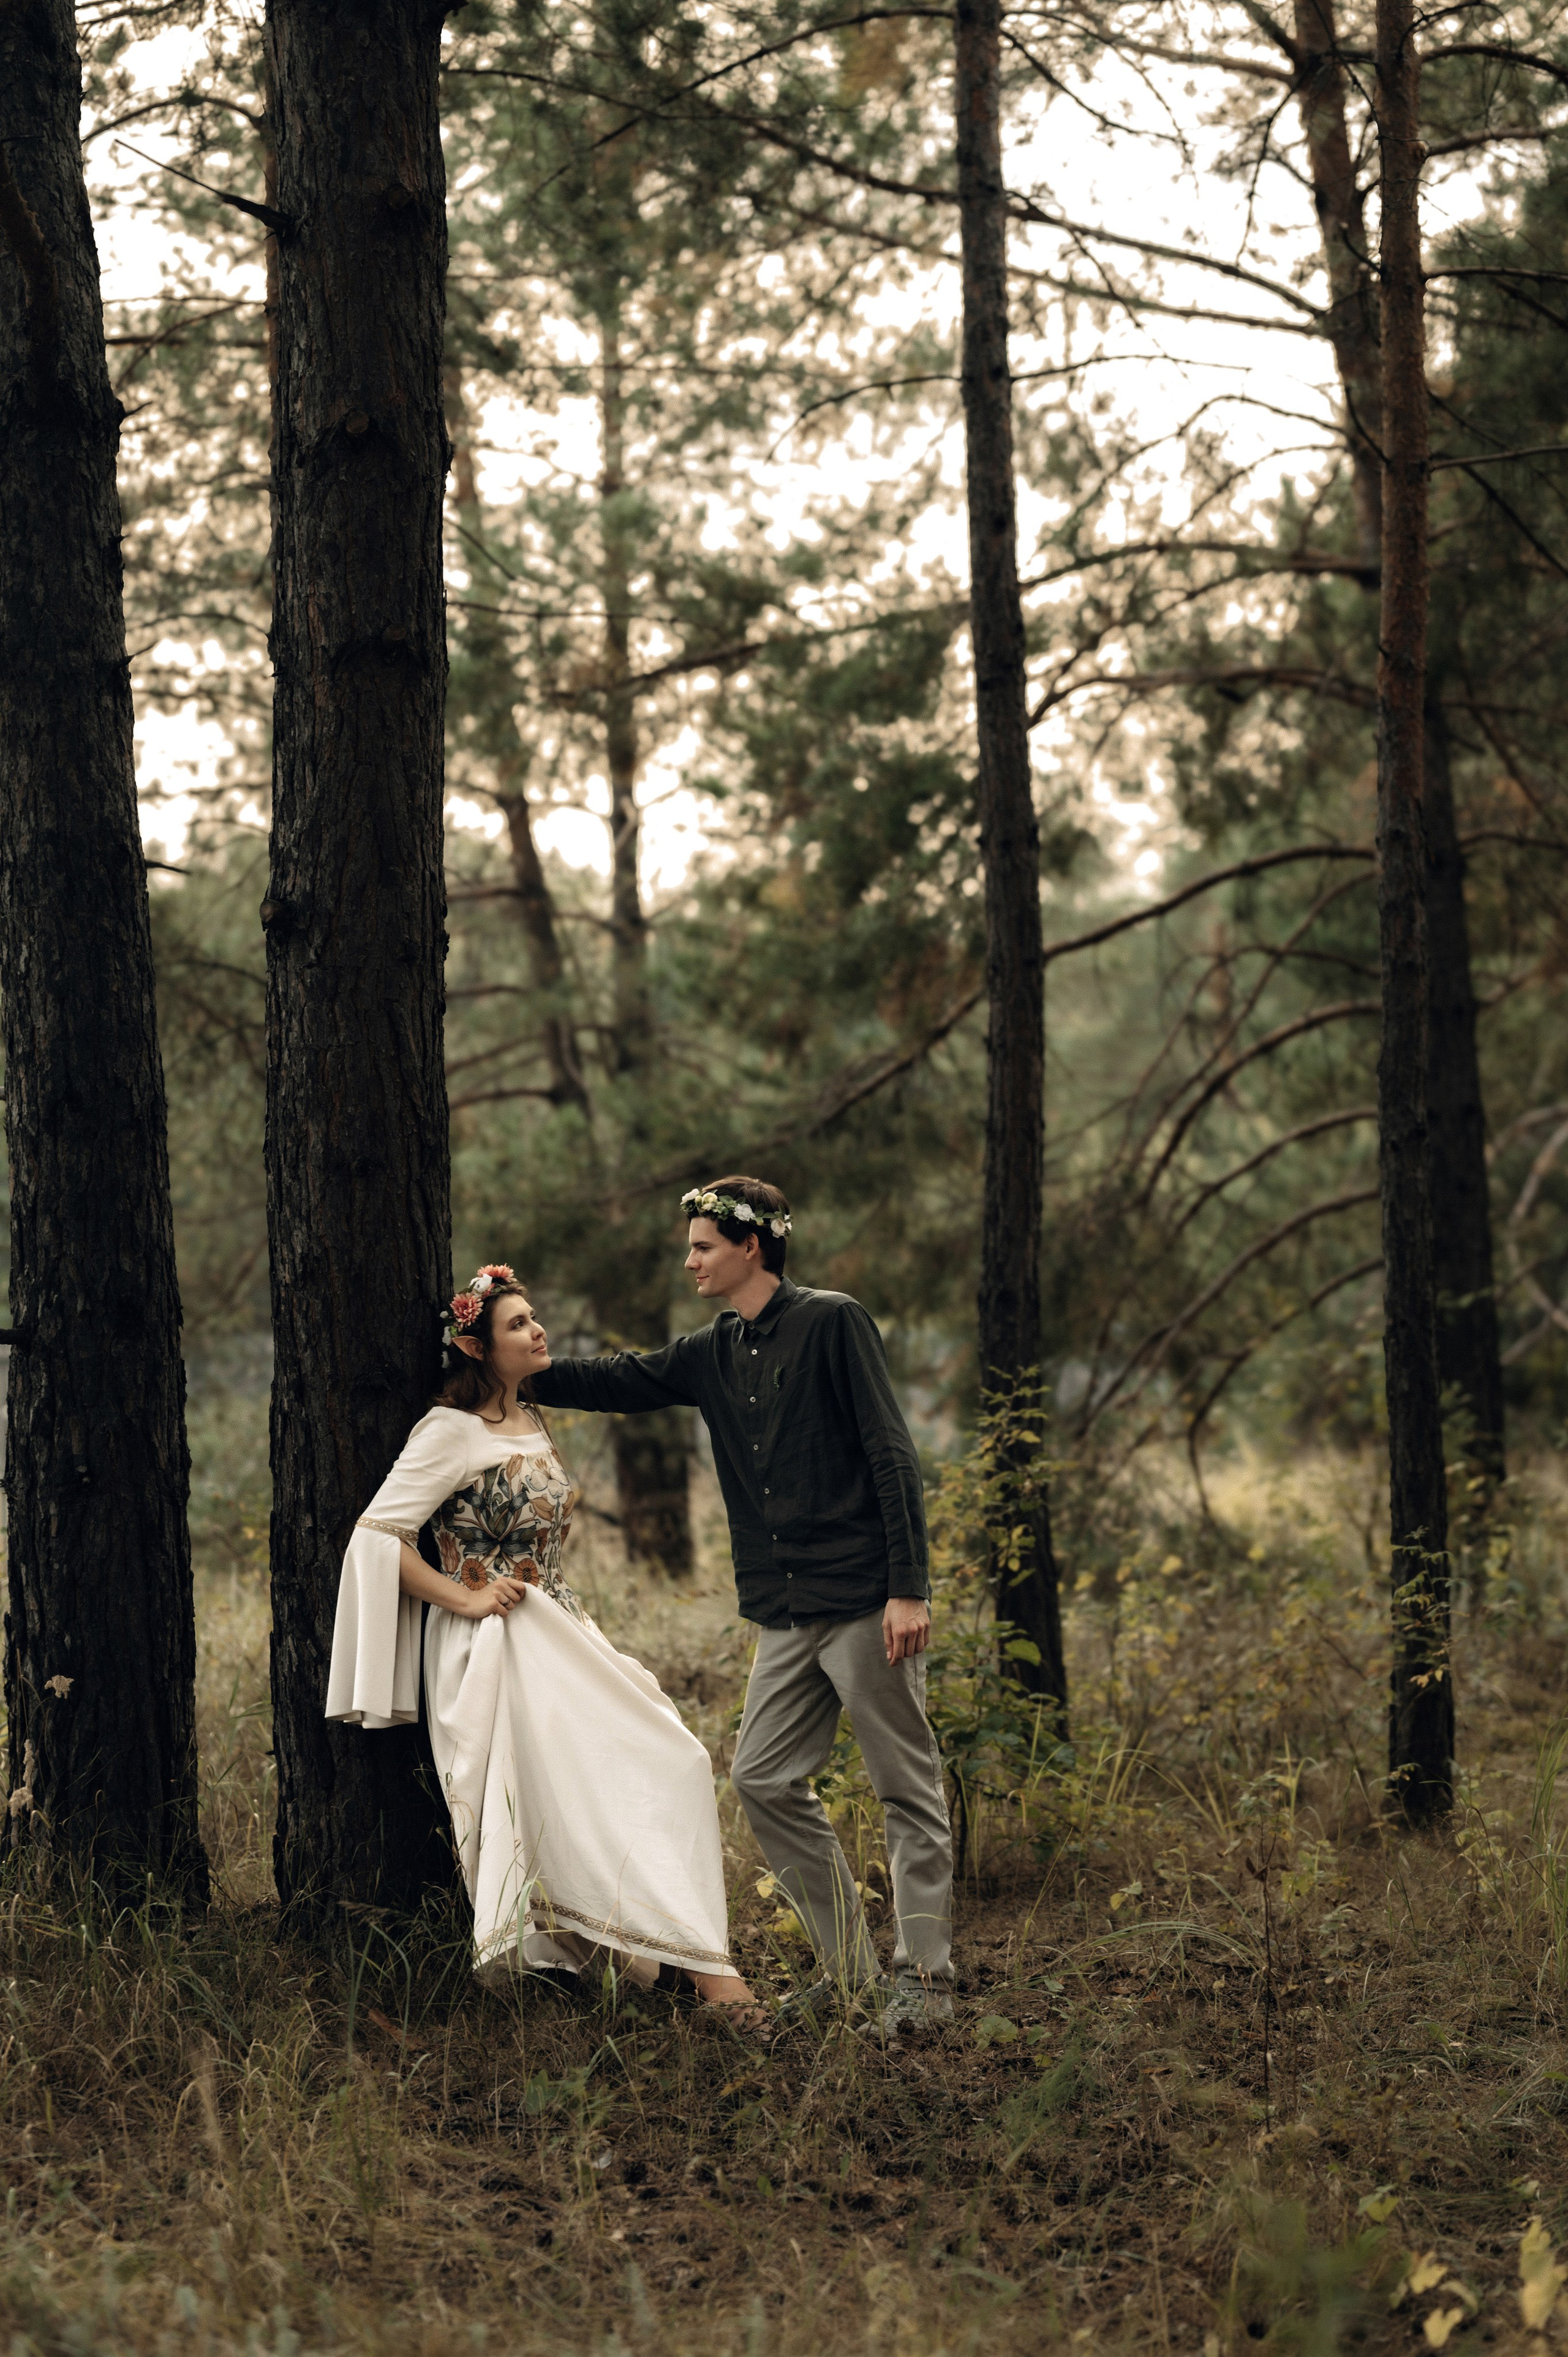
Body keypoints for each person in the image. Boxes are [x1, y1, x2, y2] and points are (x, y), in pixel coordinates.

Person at [533, 1178, 954, 2037]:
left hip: (866, 1600)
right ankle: (852, 1976)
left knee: (904, 1788)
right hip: (784, 1611)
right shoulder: (713, 1349)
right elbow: (623, 1379)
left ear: (750, 1247)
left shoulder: (835, 1321)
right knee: (761, 1776)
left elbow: (891, 1454)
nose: (688, 1261)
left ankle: (928, 1982)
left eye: (701, 1247)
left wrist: (908, 1589)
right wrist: (519, 1370)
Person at [325, 1265, 763, 2027]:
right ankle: (710, 1979)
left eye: (535, 1318)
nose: (538, 1331)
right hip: (492, 1645)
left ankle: (663, 1953)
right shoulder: (446, 1431)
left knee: (675, 1758)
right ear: (475, 1345)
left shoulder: (529, 1417)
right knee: (580, 1788)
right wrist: (463, 1594)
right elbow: (377, 1534)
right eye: (518, 1324)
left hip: (559, 1626)